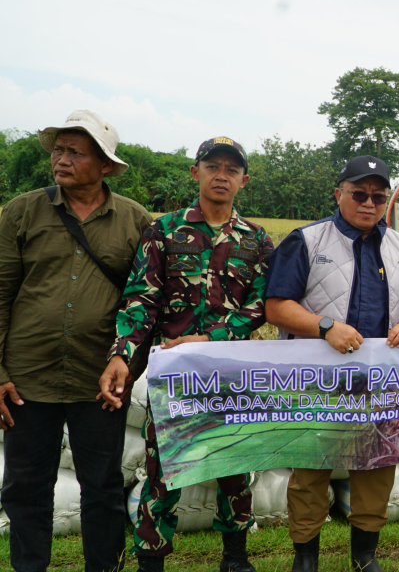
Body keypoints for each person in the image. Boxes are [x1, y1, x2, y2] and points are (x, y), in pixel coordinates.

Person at [98, 137, 273, 572]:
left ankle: (235, 558)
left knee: (236, 466)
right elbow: (142, 300)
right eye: (212, 166)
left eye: (231, 170)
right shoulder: (164, 231)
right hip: (175, 372)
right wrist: (122, 354)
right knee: (165, 471)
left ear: (243, 181)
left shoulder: (256, 239)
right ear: (195, 172)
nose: (221, 175)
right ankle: (151, 560)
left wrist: (213, 337)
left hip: (232, 372)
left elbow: (262, 304)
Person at [0, 110, 152, 572]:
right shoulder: (23, 210)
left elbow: (145, 302)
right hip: (27, 377)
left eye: (75, 152)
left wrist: (130, 366)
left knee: (103, 485)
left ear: (105, 164)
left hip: (99, 380)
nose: (61, 160)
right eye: (58, 150)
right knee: (25, 485)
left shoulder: (135, 220)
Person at [264, 155, 399, 572]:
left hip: (380, 380)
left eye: (377, 196)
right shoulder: (307, 240)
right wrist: (325, 326)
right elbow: (276, 307)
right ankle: (306, 557)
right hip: (318, 379)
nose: (368, 203)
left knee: (377, 466)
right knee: (311, 469)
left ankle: (364, 557)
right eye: (359, 194)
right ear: (339, 194)